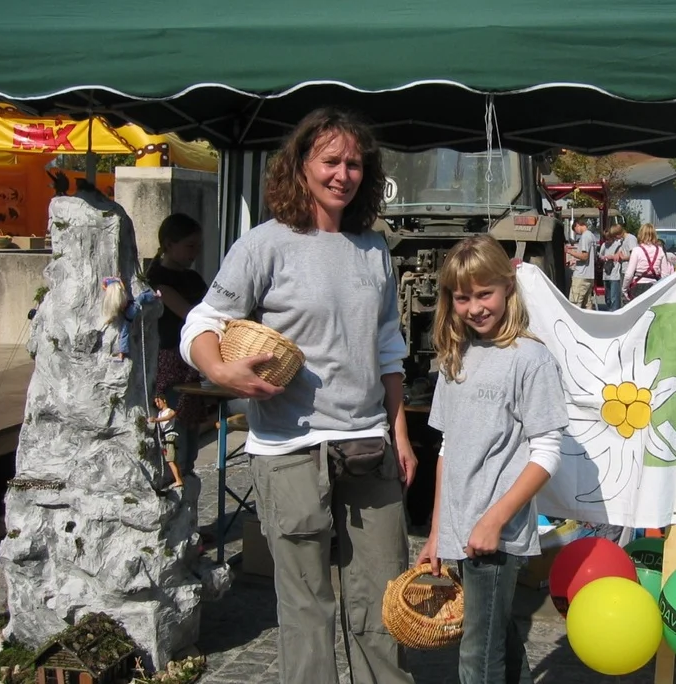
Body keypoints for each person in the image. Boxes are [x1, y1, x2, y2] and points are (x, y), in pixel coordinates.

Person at [179, 107, 416, 684]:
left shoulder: (373, 247)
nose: (344, 174)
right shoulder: (266, 244)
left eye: (355, 163)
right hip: (289, 449)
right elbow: (201, 323)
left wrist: (400, 434)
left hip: (367, 444)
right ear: (301, 166)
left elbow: (388, 349)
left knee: (381, 604)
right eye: (330, 161)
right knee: (307, 609)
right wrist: (222, 372)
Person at [417, 235, 569, 684]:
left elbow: (546, 452)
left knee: (476, 654)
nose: (475, 307)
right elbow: (448, 448)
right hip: (461, 530)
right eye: (463, 297)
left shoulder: (530, 358)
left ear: (507, 287)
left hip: (495, 534)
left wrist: (495, 519)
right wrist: (436, 532)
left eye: (485, 293)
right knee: (495, 638)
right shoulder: (454, 357)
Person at [146, 213, 208, 476]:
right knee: (172, 438)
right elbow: (192, 314)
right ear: (169, 244)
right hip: (168, 366)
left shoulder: (193, 279)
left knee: (190, 439)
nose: (195, 252)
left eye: (197, 246)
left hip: (191, 365)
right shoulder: (156, 279)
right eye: (189, 246)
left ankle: (187, 495)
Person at [623, 223, 674, 300]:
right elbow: (665, 275)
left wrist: (625, 289)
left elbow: (629, 274)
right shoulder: (659, 250)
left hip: (638, 286)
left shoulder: (637, 250)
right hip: (654, 286)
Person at [147, 394, 185, 489]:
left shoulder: (169, 411)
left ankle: (179, 480)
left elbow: (169, 417)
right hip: (165, 437)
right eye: (156, 402)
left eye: (158, 401)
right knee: (172, 460)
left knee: (170, 460)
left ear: (164, 400)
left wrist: (156, 420)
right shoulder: (160, 413)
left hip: (170, 436)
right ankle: (179, 479)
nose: (157, 404)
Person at [565, 218, 597, 309]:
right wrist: (575, 261)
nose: (576, 233)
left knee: (575, 303)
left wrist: (570, 252)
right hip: (589, 275)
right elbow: (590, 258)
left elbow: (584, 256)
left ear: (577, 225)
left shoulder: (585, 236)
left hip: (581, 276)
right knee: (587, 303)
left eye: (575, 230)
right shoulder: (592, 236)